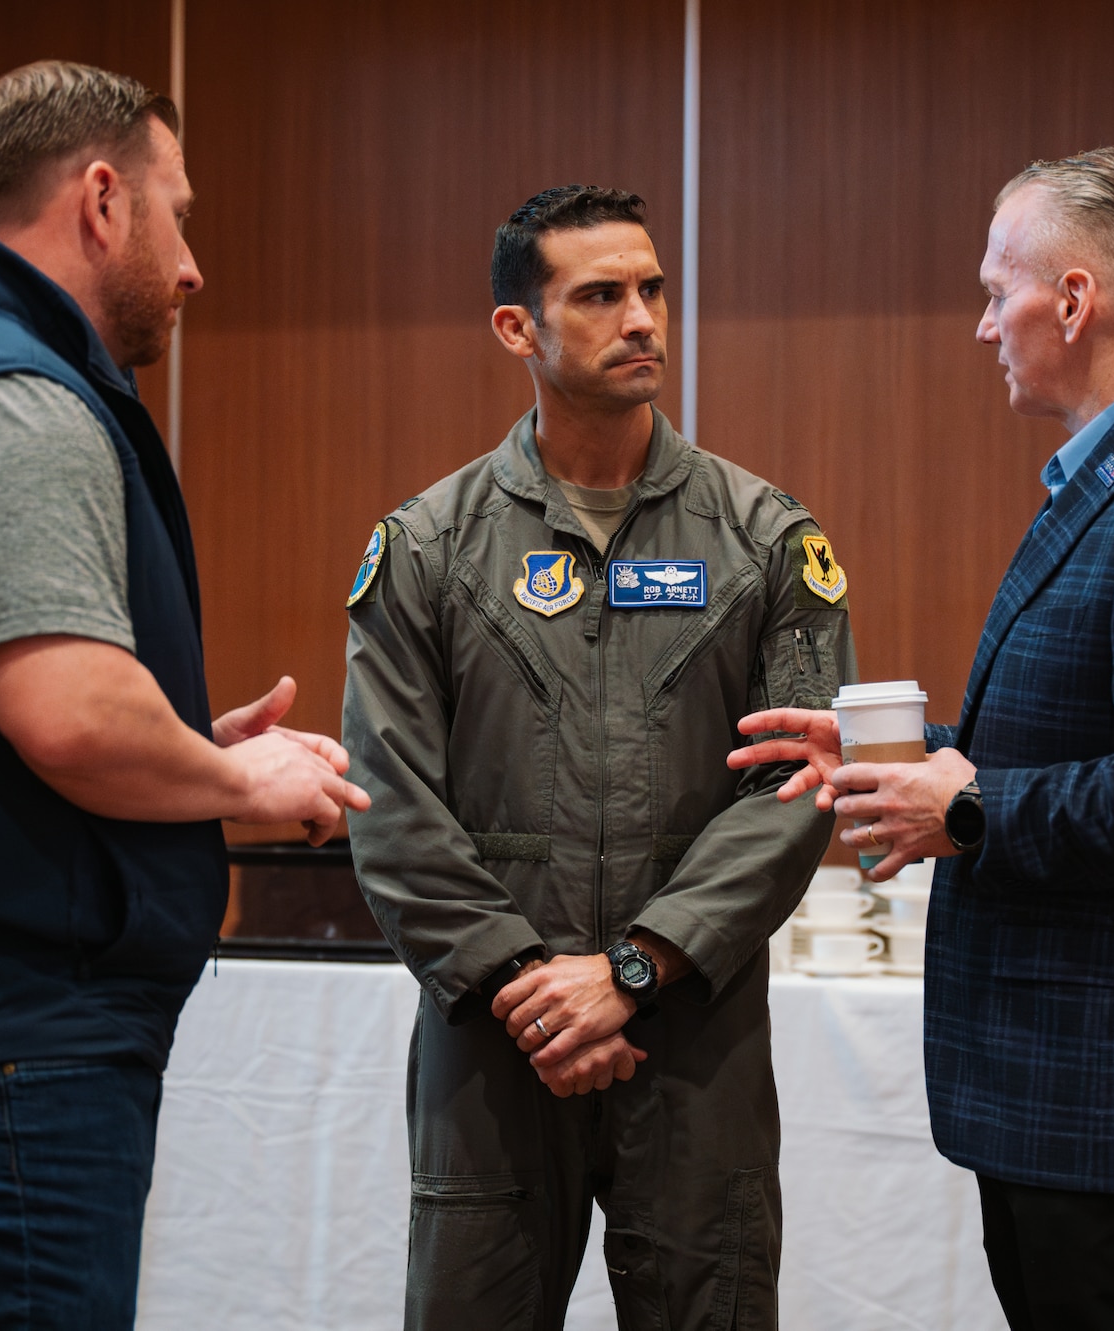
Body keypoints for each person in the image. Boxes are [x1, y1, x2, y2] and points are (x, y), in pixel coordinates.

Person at [0, 61, 368, 1327]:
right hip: (4, 1054)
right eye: (179, 212)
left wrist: (170, 751)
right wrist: (237, 779)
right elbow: (63, 716)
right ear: (102, 201)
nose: (192, 265)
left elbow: (33, 726)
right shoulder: (11, 400)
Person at [733, 148, 1114, 1330]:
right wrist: (904, 763)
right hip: (1073, 1097)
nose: (980, 324)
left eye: (996, 288)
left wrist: (962, 807)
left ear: (1070, 299)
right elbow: (1092, 737)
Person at [342, 185, 856, 1329]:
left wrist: (631, 970)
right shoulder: (428, 547)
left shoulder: (765, 537)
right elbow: (385, 798)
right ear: (516, 329)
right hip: (493, 1046)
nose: (642, 320)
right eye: (600, 294)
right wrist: (531, 988)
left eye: (651, 289)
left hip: (692, 1045)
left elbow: (796, 785)